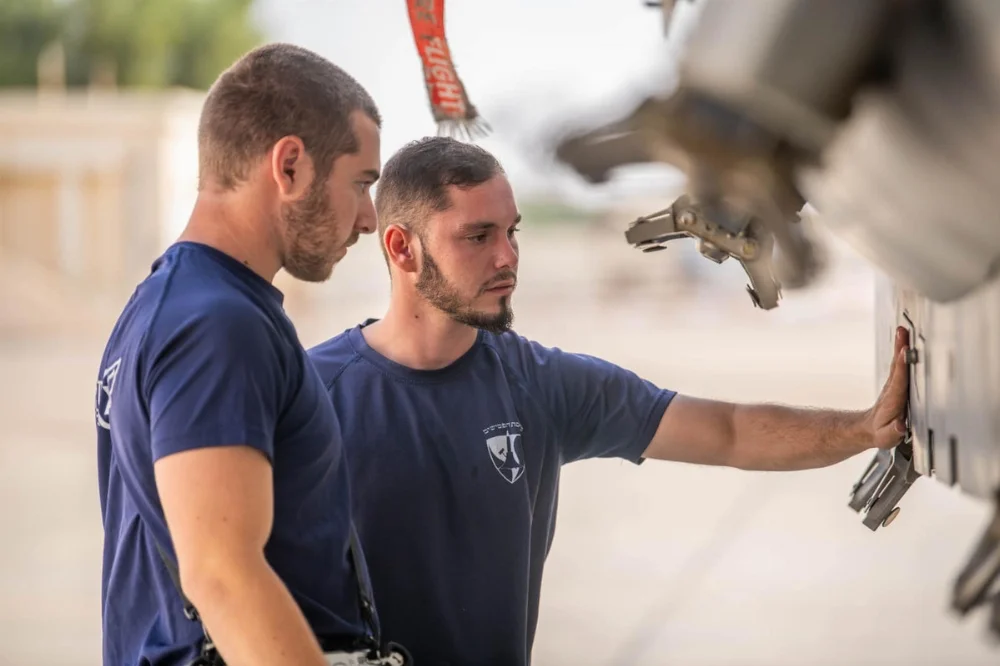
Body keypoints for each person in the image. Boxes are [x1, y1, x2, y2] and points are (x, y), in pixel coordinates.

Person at [307, 136, 912, 665]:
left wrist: (864, 428)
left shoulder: (541, 385)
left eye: (512, 232)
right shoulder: (310, 396)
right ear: (402, 248)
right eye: (478, 236)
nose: (508, 257)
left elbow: (729, 431)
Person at [93, 43, 402, 666]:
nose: (369, 219)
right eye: (361, 184)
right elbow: (221, 576)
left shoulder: (168, 303)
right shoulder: (218, 325)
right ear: (289, 166)